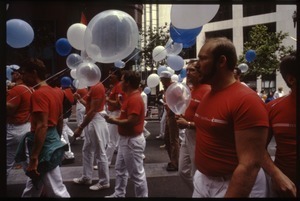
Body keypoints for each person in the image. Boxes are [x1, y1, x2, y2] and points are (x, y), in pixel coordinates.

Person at [193, 37, 269, 197]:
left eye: (202, 59)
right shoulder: (208, 94)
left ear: (221, 61)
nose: (196, 65)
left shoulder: (247, 101)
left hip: (231, 185)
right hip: (203, 182)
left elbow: (250, 165)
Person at [15, 58, 70, 197]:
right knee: (34, 184)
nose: (22, 77)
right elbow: (60, 120)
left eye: (24, 73)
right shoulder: (56, 92)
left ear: (33, 73)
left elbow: (42, 125)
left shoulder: (38, 93)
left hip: (44, 145)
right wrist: (57, 141)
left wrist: (34, 158)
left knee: (57, 191)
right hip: (50, 141)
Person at [104, 70, 148, 197]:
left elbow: (132, 121)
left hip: (131, 141)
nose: (121, 83)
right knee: (120, 169)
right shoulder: (130, 97)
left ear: (128, 83)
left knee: (137, 174)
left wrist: (114, 120)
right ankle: (119, 193)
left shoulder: (134, 98)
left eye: (123, 80)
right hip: (126, 140)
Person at [262, 52, 297, 197]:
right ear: (291, 79)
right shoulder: (272, 108)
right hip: (285, 187)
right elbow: (258, 148)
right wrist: (276, 174)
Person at [176, 60, 211, 191]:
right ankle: (199, 193)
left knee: (197, 174)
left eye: (192, 70)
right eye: (187, 70)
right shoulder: (191, 89)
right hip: (188, 135)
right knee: (182, 171)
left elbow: (208, 121)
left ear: (201, 73)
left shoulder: (207, 91)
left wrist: (189, 124)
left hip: (199, 136)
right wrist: (181, 117)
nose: (188, 73)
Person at [72, 79, 110, 191]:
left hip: (96, 121)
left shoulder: (97, 86)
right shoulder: (93, 86)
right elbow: (89, 106)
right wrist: (79, 99)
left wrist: (80, 127)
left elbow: (93, 111)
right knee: (87, 150)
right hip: (93, 121)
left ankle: (104, 181)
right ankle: (87, 177)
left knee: (100, 152)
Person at [6, 66, 33, 177]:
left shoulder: (17, 90)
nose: (10, 76)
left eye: (12, 73)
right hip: (26, 126)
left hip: (14, 128)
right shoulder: (29, 88)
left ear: (17, 75)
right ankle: (37, 183)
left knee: (7, 161)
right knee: (26, 159)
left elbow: (8, 110)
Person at [160, 70, 180, 171]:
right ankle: (173, 160)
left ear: (165, 79)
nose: (160, 80)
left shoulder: (174, 88)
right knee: (168, 139)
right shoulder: (167, 87)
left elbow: (181, 99)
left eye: (161, 79)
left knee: (173, 140)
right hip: (169, 114)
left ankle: (176, 163)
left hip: (173, 115)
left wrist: (173, 108)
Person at [105, 67, 125, 168]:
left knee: (111, 140)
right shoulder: (115, 86)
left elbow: (118, 104)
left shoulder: (118, 87)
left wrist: (107, 99)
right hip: (114, 112)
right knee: (118, 139)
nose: (109, 76)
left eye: (111, 74)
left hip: (116, 113)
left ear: (116, 75)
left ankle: (106, 162)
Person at [60, 76, 76, 161]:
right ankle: (74, 135)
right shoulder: (70, 91)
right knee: (64, 131)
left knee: (61, 136)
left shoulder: (63, 93)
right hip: (66, 116)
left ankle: (68, 154)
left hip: (62, 116)